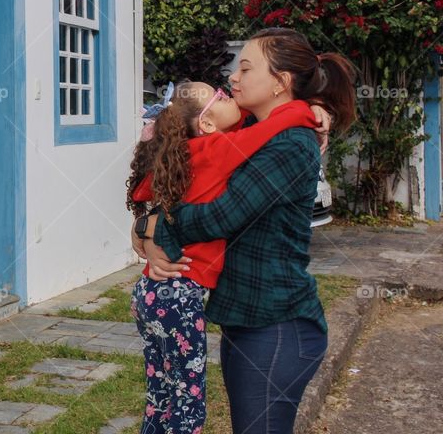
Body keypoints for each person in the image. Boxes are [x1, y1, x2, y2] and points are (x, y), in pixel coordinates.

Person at [138, 28, 357, 434]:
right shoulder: (250, 130)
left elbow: (222, 216)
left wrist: (155, 227)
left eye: (245, 68)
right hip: (248, 323)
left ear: (280, 82)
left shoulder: (292, 143)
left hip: (277, 327)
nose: (233, 78)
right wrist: (145, 223)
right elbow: (186, 180)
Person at [127, 80, 321, 433]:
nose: (228, 92)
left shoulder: (182, 153)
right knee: (188, 407)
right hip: (179, 296)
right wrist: (305, 110)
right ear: (206, 123)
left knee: (160, 399)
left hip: (151, 293)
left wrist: (144, 224)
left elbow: (142, 190)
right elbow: (268, 128)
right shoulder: (217, 149)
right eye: (220, 95)